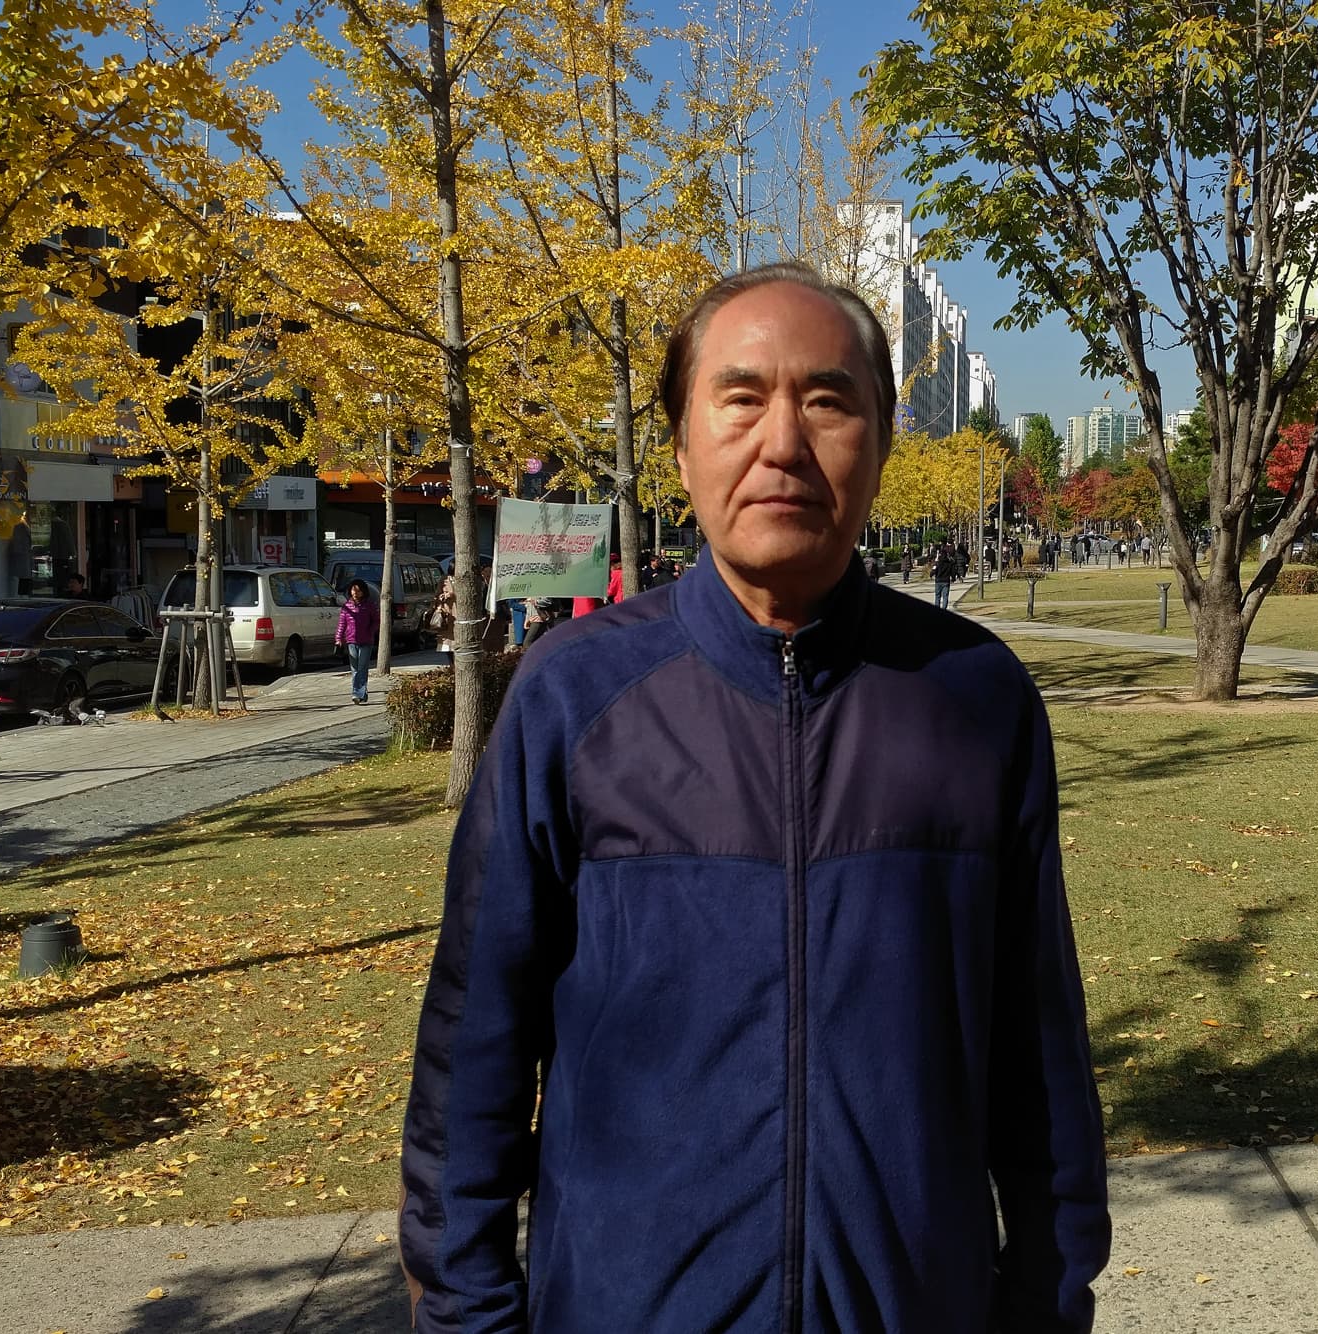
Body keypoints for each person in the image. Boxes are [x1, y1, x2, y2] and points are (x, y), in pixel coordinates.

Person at [400, 262, 1109, 1334]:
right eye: (740, 398)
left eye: (827, 401)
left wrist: (1047, 1301)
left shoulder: (974, 699)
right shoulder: (574, 697)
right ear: (682, 445)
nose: (783, 443)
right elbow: (474, 1045)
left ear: (881, 441)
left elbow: (1037, 1046)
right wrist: (465, 1313)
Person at [335, 579, 378, 704]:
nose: (355, 593)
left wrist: (370, 631)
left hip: (366, 641)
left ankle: (358, 693)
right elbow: (342, 624)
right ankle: (360, 693)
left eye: (358, 590)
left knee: (362, 667)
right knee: (354, 668)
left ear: (363, 592)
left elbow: (376, 621)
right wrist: (338, 639)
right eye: (353, 590)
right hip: (351, 641)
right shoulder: (346, 607)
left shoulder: (369, 605)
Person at [428, 574, 457, 664]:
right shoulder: (445, 579)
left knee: (455, 642)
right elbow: (437, 595)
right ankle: (452, 664)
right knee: (448, 643)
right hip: (447, 614)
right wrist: (443, 597)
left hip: (455, 614)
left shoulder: (460, 578)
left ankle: (454, 664)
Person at [931, 539, 958, 609]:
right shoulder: (949, 564)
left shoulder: (937, 563)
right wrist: (953, 578)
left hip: (938, 581)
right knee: (945, 596)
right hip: (946, 581)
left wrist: (931, 574)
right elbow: (952, 572)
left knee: (937, 596)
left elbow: (933, 570)